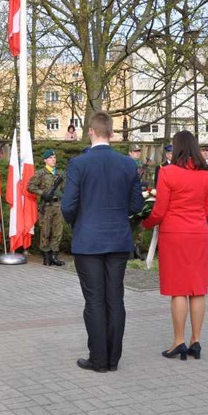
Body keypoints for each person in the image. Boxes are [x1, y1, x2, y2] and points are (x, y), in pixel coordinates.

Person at [61, 111, 142, 373]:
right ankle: (113, 359)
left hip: (88, 240)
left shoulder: (78, 164)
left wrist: (79, 223)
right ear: (112, 133)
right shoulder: (128, 164)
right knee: (115, 299)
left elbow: (68, 205)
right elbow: (137, 204)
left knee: (94, 300)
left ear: (91, 132)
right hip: (118, 239)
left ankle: (98, 359)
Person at [142, 130, 208, 360]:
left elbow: (160, 209)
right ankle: (196, 340)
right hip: (199, 234)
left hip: (174, 234)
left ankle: (178, 341)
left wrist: (146, 222)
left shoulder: (167, 172)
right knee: (197, 288)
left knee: (178, 290)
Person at [27, 149, 66, 266]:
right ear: (45, 160)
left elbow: (64, 189)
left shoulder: (60, 174)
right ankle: (46, 256)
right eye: (50, 158)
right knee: (45, 231)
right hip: (47, 206)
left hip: (58, 205)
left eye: (54, 157)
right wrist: (43, 193)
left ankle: (54, 255)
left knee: (58, 232)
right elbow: (30, 186)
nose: (53, 159)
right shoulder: (40, 173)